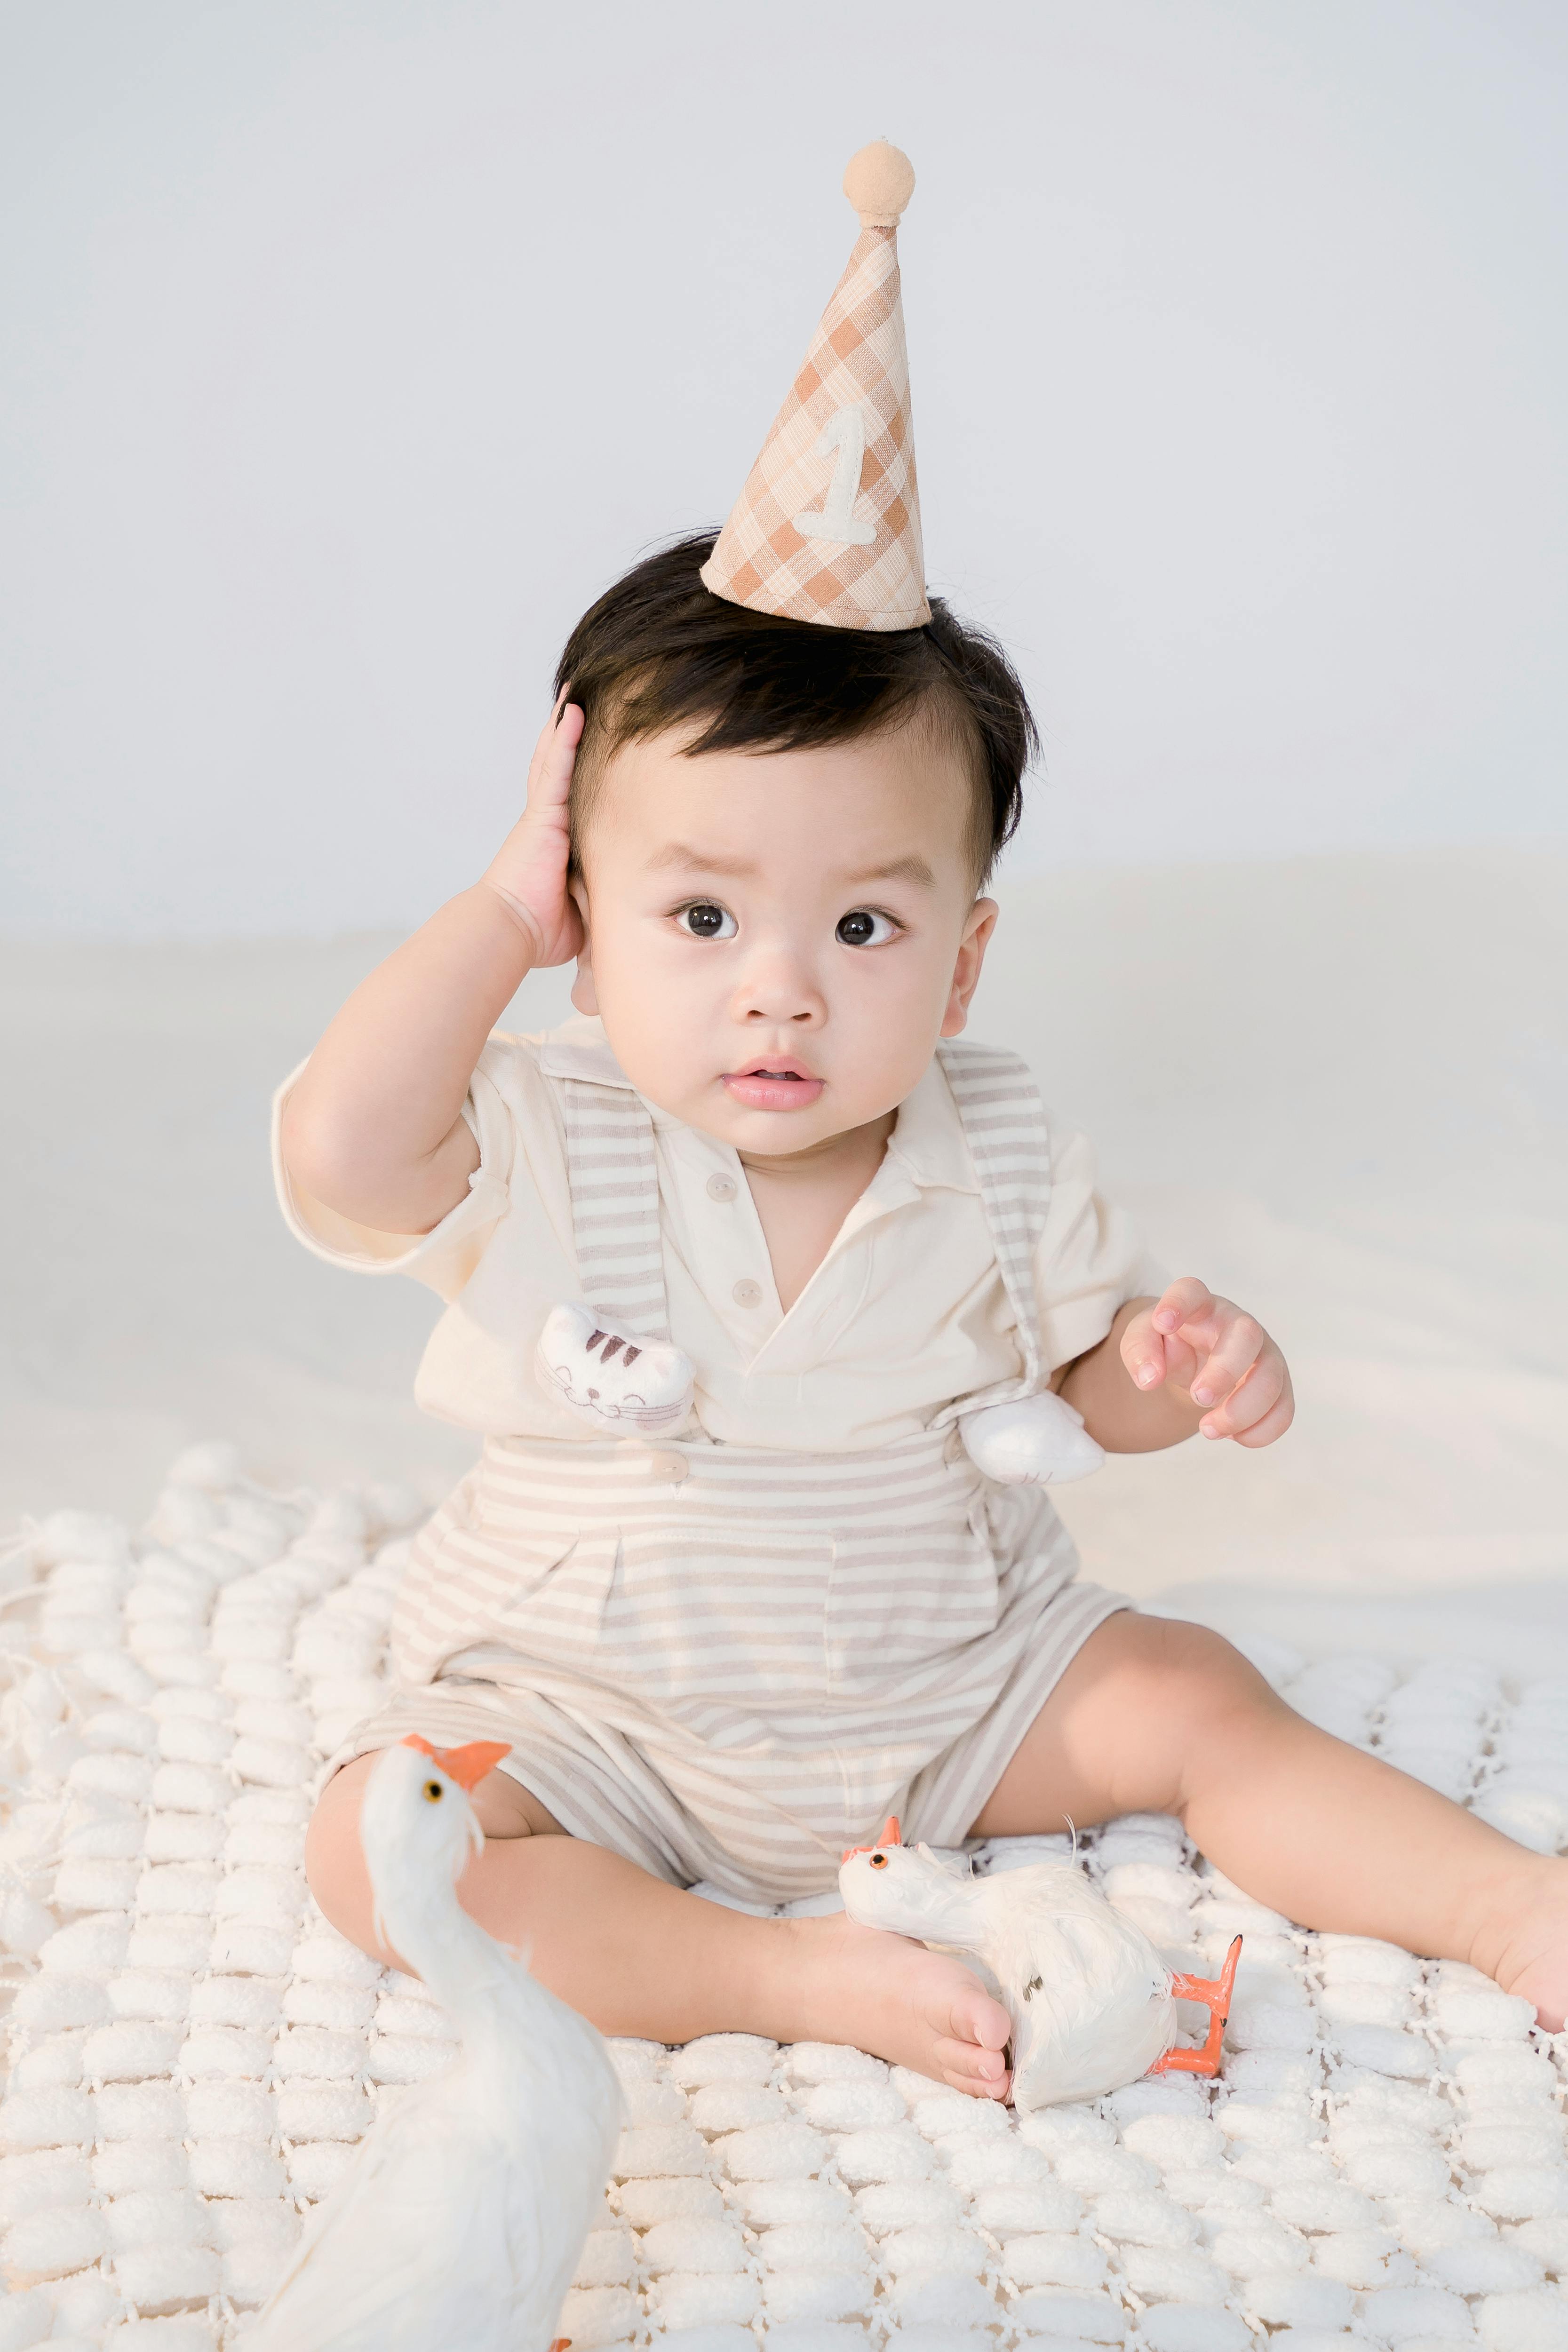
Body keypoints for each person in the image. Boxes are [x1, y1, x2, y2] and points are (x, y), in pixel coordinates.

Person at [277, 153, 1566, 2096]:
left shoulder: (1002, 1135)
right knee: (386, 1845)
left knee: (1195, 1693)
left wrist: (1166, 1365)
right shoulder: (542, 1119)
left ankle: (1513, 1909)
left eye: (863, 922)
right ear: (586, 922)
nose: (779, 985)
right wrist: (492, 925)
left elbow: (1083, 1393)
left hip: (952, 1684)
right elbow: (341, 1157)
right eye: (699, 916)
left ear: (962, 965)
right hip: (593, 1707)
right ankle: (778, 1974)